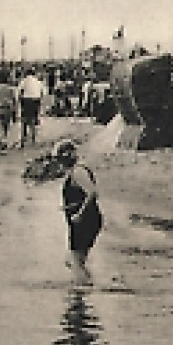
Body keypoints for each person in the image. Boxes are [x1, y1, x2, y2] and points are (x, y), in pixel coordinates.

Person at [55, 139, 103, 284]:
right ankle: (89, 285)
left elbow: (92, 193)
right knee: (73, 261)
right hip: (82, 221)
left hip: (85, 221)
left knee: (75, 262)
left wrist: (79, 214)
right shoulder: (74, 171)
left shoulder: (78, 172)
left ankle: (81, 294)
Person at [0, 70, 18, 151]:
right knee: (6, 126)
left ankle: (1, 143)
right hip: (8, 109)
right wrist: (15, 112)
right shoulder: (11, 89)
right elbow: (14, 101)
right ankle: (4, 141)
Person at [17, 67, 45, 148]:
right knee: (34, 119)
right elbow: (42, 93)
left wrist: (20, 102)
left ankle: (23, 139)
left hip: (27, 100)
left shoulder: (24, 81)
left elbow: (19, 92)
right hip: (36, 100)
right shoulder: (38, 81)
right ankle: (34, 139)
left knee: (24, 120)